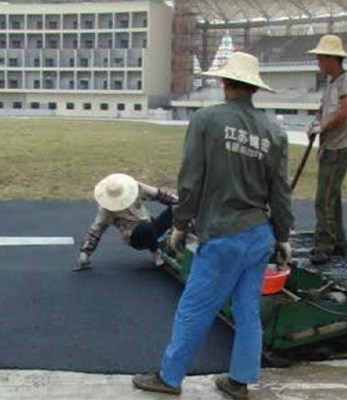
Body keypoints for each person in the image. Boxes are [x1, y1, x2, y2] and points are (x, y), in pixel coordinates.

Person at [132, 52, 293, 399]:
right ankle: (239, 381)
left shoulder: (207, 120)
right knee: (248, 309)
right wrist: (283, 237)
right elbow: (281, 193)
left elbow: (190, 180)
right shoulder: (275, 133)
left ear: (225, 82)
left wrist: (179, 224)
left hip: (223, 233)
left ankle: (170, 378)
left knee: (195, 307)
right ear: (253, 88)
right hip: (258, 235)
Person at [306, 35, 347, 265]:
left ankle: (324, 245)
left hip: (338, 147)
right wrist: (316, 121)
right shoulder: (332, 84)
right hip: (328, 145)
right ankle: (338, 242)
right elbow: (324, 109)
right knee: (332, 198)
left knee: (324, 198)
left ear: (331, 58)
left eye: (320, 58)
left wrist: (323, 126)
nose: (318, 62)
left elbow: (343, 113)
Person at [74, 173, 177, 270]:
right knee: (145, 228)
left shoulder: (136, 187)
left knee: (178, 209)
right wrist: (85, 253)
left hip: (152, 226)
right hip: (136, 238)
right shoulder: (106, 209)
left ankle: (176, 236)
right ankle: (156, 253)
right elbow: (96, 231)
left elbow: (159, 194)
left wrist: (180, 202)